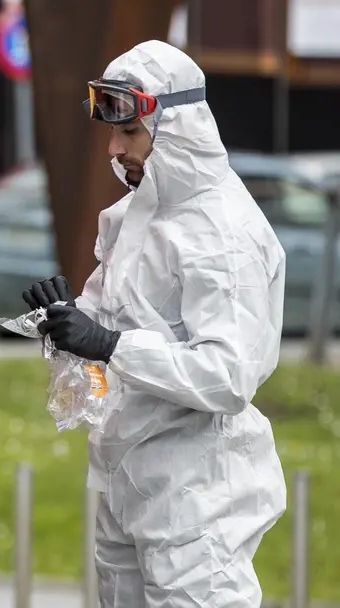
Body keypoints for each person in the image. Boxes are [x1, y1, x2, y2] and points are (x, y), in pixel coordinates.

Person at [22, 40, 286, 607]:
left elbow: (228, 376)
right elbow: (113, 322)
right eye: (113, 134)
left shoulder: (222, 235)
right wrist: (69, 323)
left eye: (130, 133)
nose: (115, 150)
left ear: (177, 127)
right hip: (126, 480)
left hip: (197, 496)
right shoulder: (132, 216)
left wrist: (112, 345)